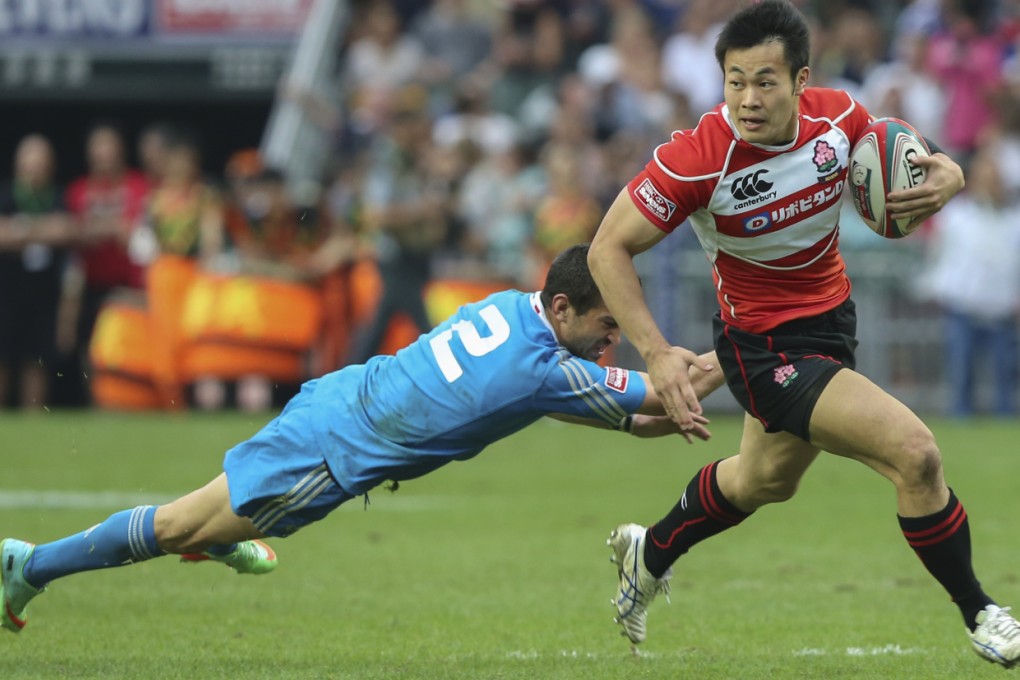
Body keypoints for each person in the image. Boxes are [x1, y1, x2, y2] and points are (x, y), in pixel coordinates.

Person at [587, 0, 1020, 668]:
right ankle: (981, 612)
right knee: (915, 454)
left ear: (800, 80)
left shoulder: (838, 119)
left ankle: (651, 550)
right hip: (764, 349)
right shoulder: (697, 158)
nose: (748, 99)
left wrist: (950, 171)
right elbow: (606, 249)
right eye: (735, 81)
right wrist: (657, 353)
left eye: (765, 81)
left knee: (762, 480)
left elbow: (902, 150)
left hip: (831, 325)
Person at [1, 244, 724, 635]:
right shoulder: (539, 369)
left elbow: (610, 412)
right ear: (563, 307)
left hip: (340, 397)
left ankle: (221, 533)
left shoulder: (511, 307)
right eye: (605, 326)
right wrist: (748, 344)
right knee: (176, 525)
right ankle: (30, 565)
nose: (611, 341)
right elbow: (659, 393)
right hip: (332, 454)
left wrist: (658, 405)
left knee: (210, 517)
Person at [0, 135, 74, 409]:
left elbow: (65, 231)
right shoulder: (6, 195)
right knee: (2, 356)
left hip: (44, 293)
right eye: (30, 164)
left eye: (41, 164)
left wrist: (20, 230)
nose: (35, 170)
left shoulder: (57, 196)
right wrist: (41, 229)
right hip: (7, 290)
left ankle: (34, 420)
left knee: (38, 359)